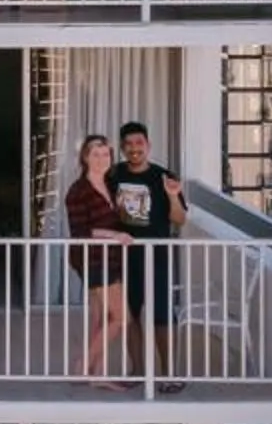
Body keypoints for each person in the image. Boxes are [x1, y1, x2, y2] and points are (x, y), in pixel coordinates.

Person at [111, 120, 188, 389]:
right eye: (129, 144)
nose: (134, 149)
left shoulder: (163, 176)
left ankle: (168, 374)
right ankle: (138, 371)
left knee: (162, 314)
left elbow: (179, 219)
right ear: (121, 147)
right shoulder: (114, 174)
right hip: (124, 257)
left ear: (148, 145)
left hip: (157, 256)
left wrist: (173, 195)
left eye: (139, 143)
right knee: (129, 315)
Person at [62, 133, 131, 386]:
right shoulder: (78, 190)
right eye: (96, 154)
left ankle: (98, 375)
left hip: (111, 258)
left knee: (100, 318)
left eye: (106, 154)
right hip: (93, 259)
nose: (102, 159)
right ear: (85, 158)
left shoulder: (111, 185)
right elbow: (81, 230)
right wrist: (115, 234)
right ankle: (82, 366)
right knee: (121, 317)